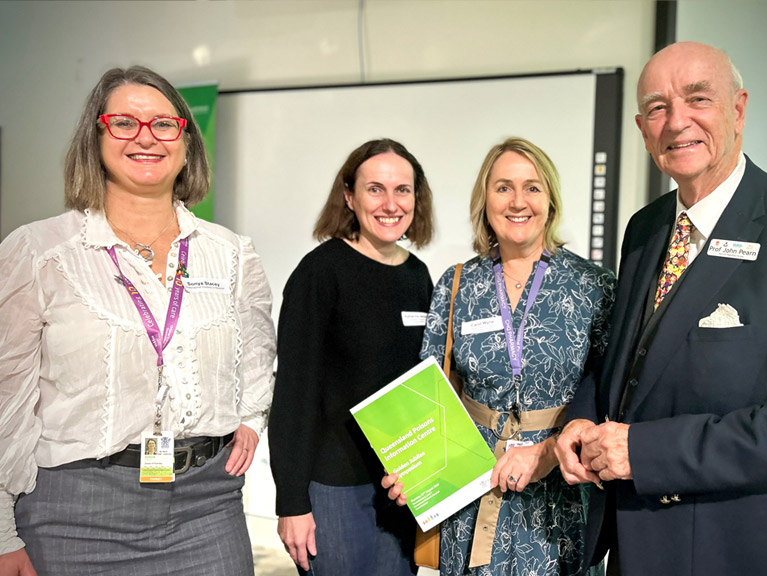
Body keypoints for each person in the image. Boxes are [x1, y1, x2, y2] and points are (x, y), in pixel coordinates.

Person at [555, 41, 767, 576]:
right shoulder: (645, 230)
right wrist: (581, 418)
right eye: (657, 108)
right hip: (644, 545)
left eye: (698, 99)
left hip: (751, 548)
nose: (677, 122)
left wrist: (649, 453)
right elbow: (628, 363)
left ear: (738, 109)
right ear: (641, 127)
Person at [0, 66, 276, 576]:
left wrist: (252, 417)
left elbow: (258, 352)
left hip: (206, 506)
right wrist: (1, 532)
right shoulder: (39, 253)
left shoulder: (231, 254)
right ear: (96, 136)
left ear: (186, 141)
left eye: (163, 124)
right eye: (124, 122)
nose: (145, 137)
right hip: (74, 512)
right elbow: (5, 401)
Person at [385, 137, 615, 576]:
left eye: (532, 187)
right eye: (503, 187)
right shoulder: (456, 285)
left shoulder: (594, 287)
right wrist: (413, 466)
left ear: (550, 199)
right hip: (471, 490)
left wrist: (549, 450)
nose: (518, 201)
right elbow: (431, 389)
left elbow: (608, 391)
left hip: (559, 496)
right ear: (485, 199)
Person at [268, 138, 435, 575]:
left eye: (403, 190)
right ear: (349, 195)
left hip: (401, 484)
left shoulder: (419, 276)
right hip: (335, 487)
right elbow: (293, 395)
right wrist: (291, 503)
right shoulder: (320, 273)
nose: (391, 203)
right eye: (375, 189)